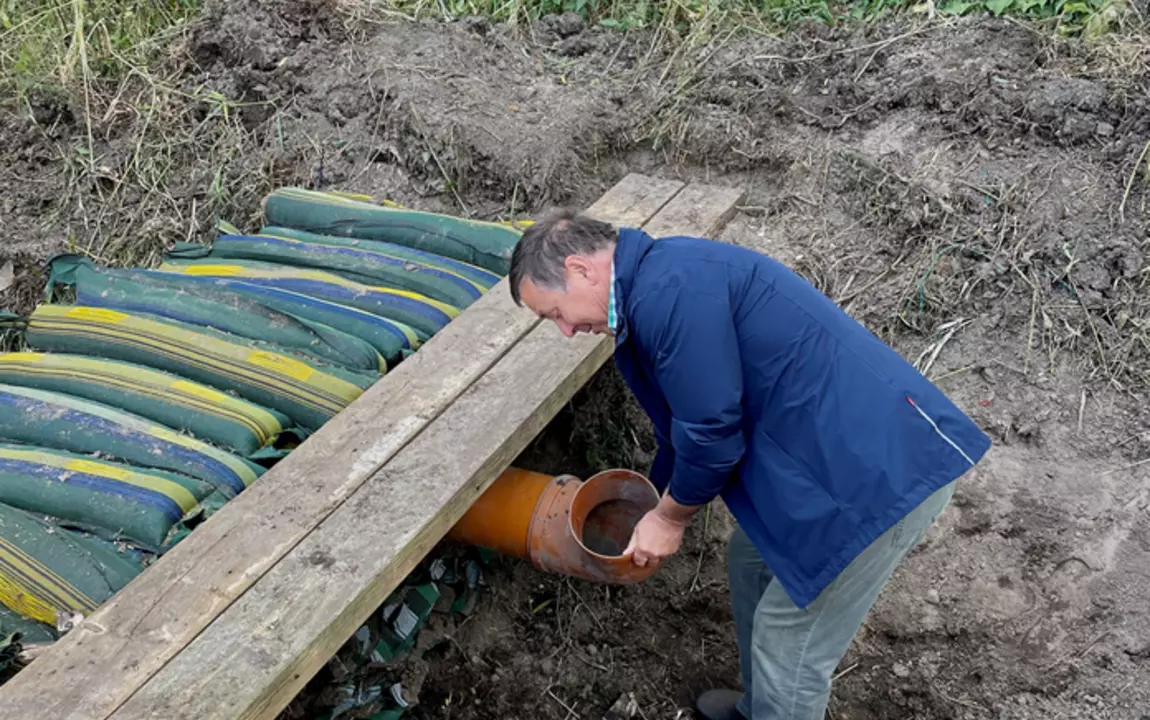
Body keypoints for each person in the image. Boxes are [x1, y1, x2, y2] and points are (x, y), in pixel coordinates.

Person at [507, 209, 991, 720]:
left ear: (581, 270)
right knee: (750, 560)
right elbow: (685, 421)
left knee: (791, 647)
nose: (563, 331)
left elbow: (714, 433)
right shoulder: (657, 284)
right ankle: (759, 710)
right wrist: (650, 503)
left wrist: (671, 518)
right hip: (837, 461)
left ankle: (777, 705)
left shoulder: (669, 294)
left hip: (880, 476)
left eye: (554, 313)